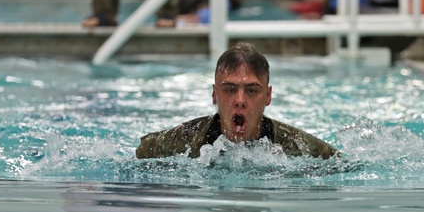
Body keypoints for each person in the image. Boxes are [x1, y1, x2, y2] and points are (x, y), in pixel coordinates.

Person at [136, 42, 337, 159]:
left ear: (267, 96)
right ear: (214, 95)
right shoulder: (179, 143)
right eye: (230, 90)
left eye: (251, 91)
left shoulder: (301, 148)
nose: (240, 100)